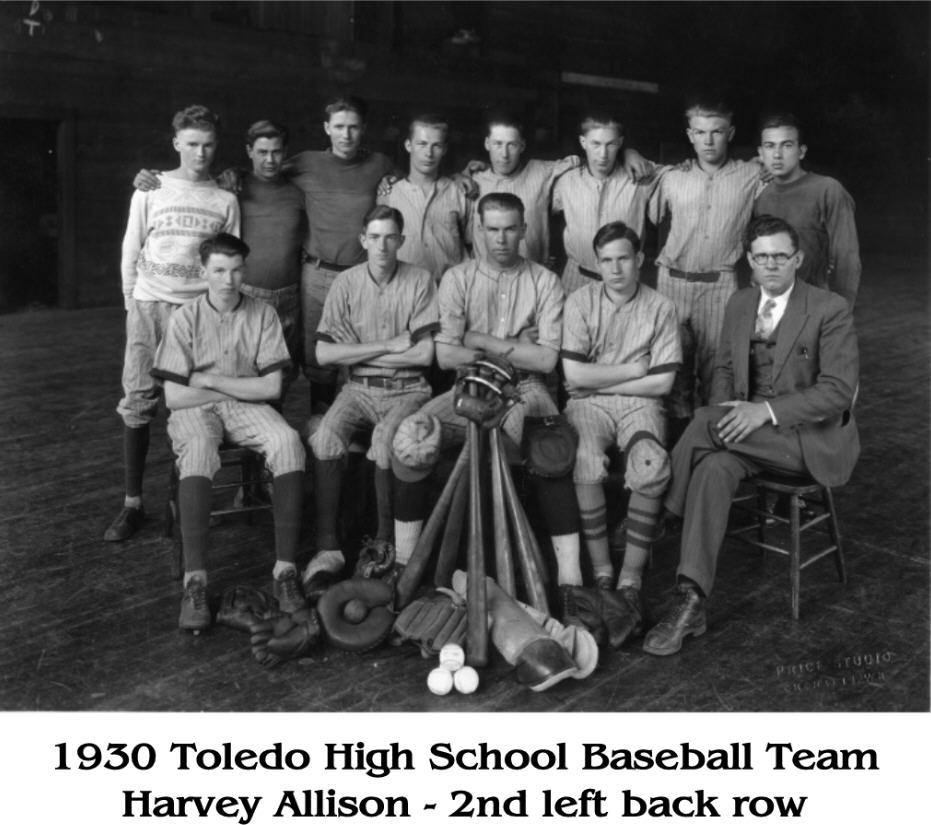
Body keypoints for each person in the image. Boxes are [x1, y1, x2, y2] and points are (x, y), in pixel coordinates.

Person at [642, 215, 859, 656]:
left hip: (805, 441)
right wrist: (730, 410)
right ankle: (692, 601)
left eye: (781, 256)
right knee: (713, 469)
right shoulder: (740, 303)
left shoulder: (829, 308)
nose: (772, 265)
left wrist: (764, 411)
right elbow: (723, 370)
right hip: (742, 436)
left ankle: (652, 517)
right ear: (749, 260)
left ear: (797, 259)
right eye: (762, 257)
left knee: (702, 424)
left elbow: (837, 392)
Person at [390, 193, 584, 592]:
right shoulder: (458, 278)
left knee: (550, 448)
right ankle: (403, 566)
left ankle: (570, 579)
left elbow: (546, 361)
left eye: (510, 229)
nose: (501, 239)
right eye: (492, 229)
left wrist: (477, 338)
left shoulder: (544, 281)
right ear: (478, 230)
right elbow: (445, 355)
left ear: (524, 230)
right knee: (413, 435)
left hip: (524, 389)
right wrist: (513, 344)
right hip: (469, 385)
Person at [151, 234, 307, 631]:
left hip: (243, 406)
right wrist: (228, 385)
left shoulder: (263, 313)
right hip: (195, 408)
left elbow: (271, 388)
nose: (228, 279)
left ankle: (285, 572)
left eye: (237, 270)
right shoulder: (185, 317)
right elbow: (173, 395)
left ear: (245, 271)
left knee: (288, 442)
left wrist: (209, 379)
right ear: (204, 271)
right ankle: (196, 582)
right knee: (201, 448)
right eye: (219, 270)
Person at [105, 105, 240, 543]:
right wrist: (133, 305)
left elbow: (229, 262)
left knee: (189, 404)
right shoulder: (151, 188)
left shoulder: (225, 198)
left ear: (216, 146)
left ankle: (179, 500)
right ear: (177, 143)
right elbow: (130, 250)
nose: (200, 153)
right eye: (192, 144)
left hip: (195, 314)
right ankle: (132, 504)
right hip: (149, 306)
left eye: (208, 145)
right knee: (139, 399)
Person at [301, 206, 438, 596]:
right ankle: (328, 551)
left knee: (383, 440)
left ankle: (382, 545)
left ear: (401, 241)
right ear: (363, 240)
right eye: (374, 237)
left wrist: (357, 350)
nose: (382, 245)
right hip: (358, 389)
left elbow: (424, 355)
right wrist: (388, 346)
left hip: (408, 389)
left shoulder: (420, 279)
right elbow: (325, 355)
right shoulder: (345, 282)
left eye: (389, 237)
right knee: (326, 435)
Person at [560, 221, 681, 645]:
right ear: (597, 264)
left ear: (640, 260)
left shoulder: (660, 306)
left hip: (640, 406)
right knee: (586, 460)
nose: (615, 268)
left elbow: (662, 384)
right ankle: (603, 574)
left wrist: (599, 381)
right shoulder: (578, 301)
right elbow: (572, 375)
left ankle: (630, 579)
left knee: (650, 463)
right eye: (607, 260)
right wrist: (631, 371)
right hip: (587, 406)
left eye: (624, 258)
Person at [649, 97, 766, 434]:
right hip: (672, 280)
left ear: (730, 133)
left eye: (717, 132)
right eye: (701, 132)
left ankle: (709, 440)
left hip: (720, 283)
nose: (709, 140)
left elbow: (781, 179)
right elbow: (638, 176)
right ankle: (676, 440)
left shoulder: (751, 175)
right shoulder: (672, 176)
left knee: (717, 368)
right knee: (672, 364)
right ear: (690, 135)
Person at [753, 113, 861, 307]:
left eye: (787, 145)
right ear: (761, 153)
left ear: (801, 151)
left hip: (814, 304)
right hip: (770, 306)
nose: (777, 155)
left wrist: (841, 312)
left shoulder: (828, 189)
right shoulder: (760, 194)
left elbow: (847, 259)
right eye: (770, 146)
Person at [553, 111, 667, 293]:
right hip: (576, 281)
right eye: (595, 144)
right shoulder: (565, 181)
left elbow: (677, 175)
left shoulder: (639, 178)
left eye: (610, 144)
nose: (603, 154)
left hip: (625, 283)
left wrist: (632, 153)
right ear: (583, 142)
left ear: (620, 143)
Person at [238, 120, 306, 403]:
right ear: (249, 151)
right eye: (262, 151)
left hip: (288, 296)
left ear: (285, 152)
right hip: (248, 295)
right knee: (246, 371)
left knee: (281, 375)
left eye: (276, 152)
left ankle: (272, 439)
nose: (269, 159)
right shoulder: (234, 187)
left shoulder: (298, 192)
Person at [467, 110, 580, 267]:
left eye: (511, 145)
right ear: (487, 144)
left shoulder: (542, 172)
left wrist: (626, 153)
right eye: (498, 144)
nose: (504, 154)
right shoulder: (473, 180)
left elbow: (579, 162)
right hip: (485, 278)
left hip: (533, 277)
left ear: (522, 146)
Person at [376, 113, 471, 282]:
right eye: (422, 144)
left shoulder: (459, 192)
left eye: (436, 146)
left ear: (445, 150)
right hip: (402, 287)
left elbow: (473, 245)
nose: (429, 153)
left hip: (449, 290)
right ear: (408, 145)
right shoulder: (389, 193)